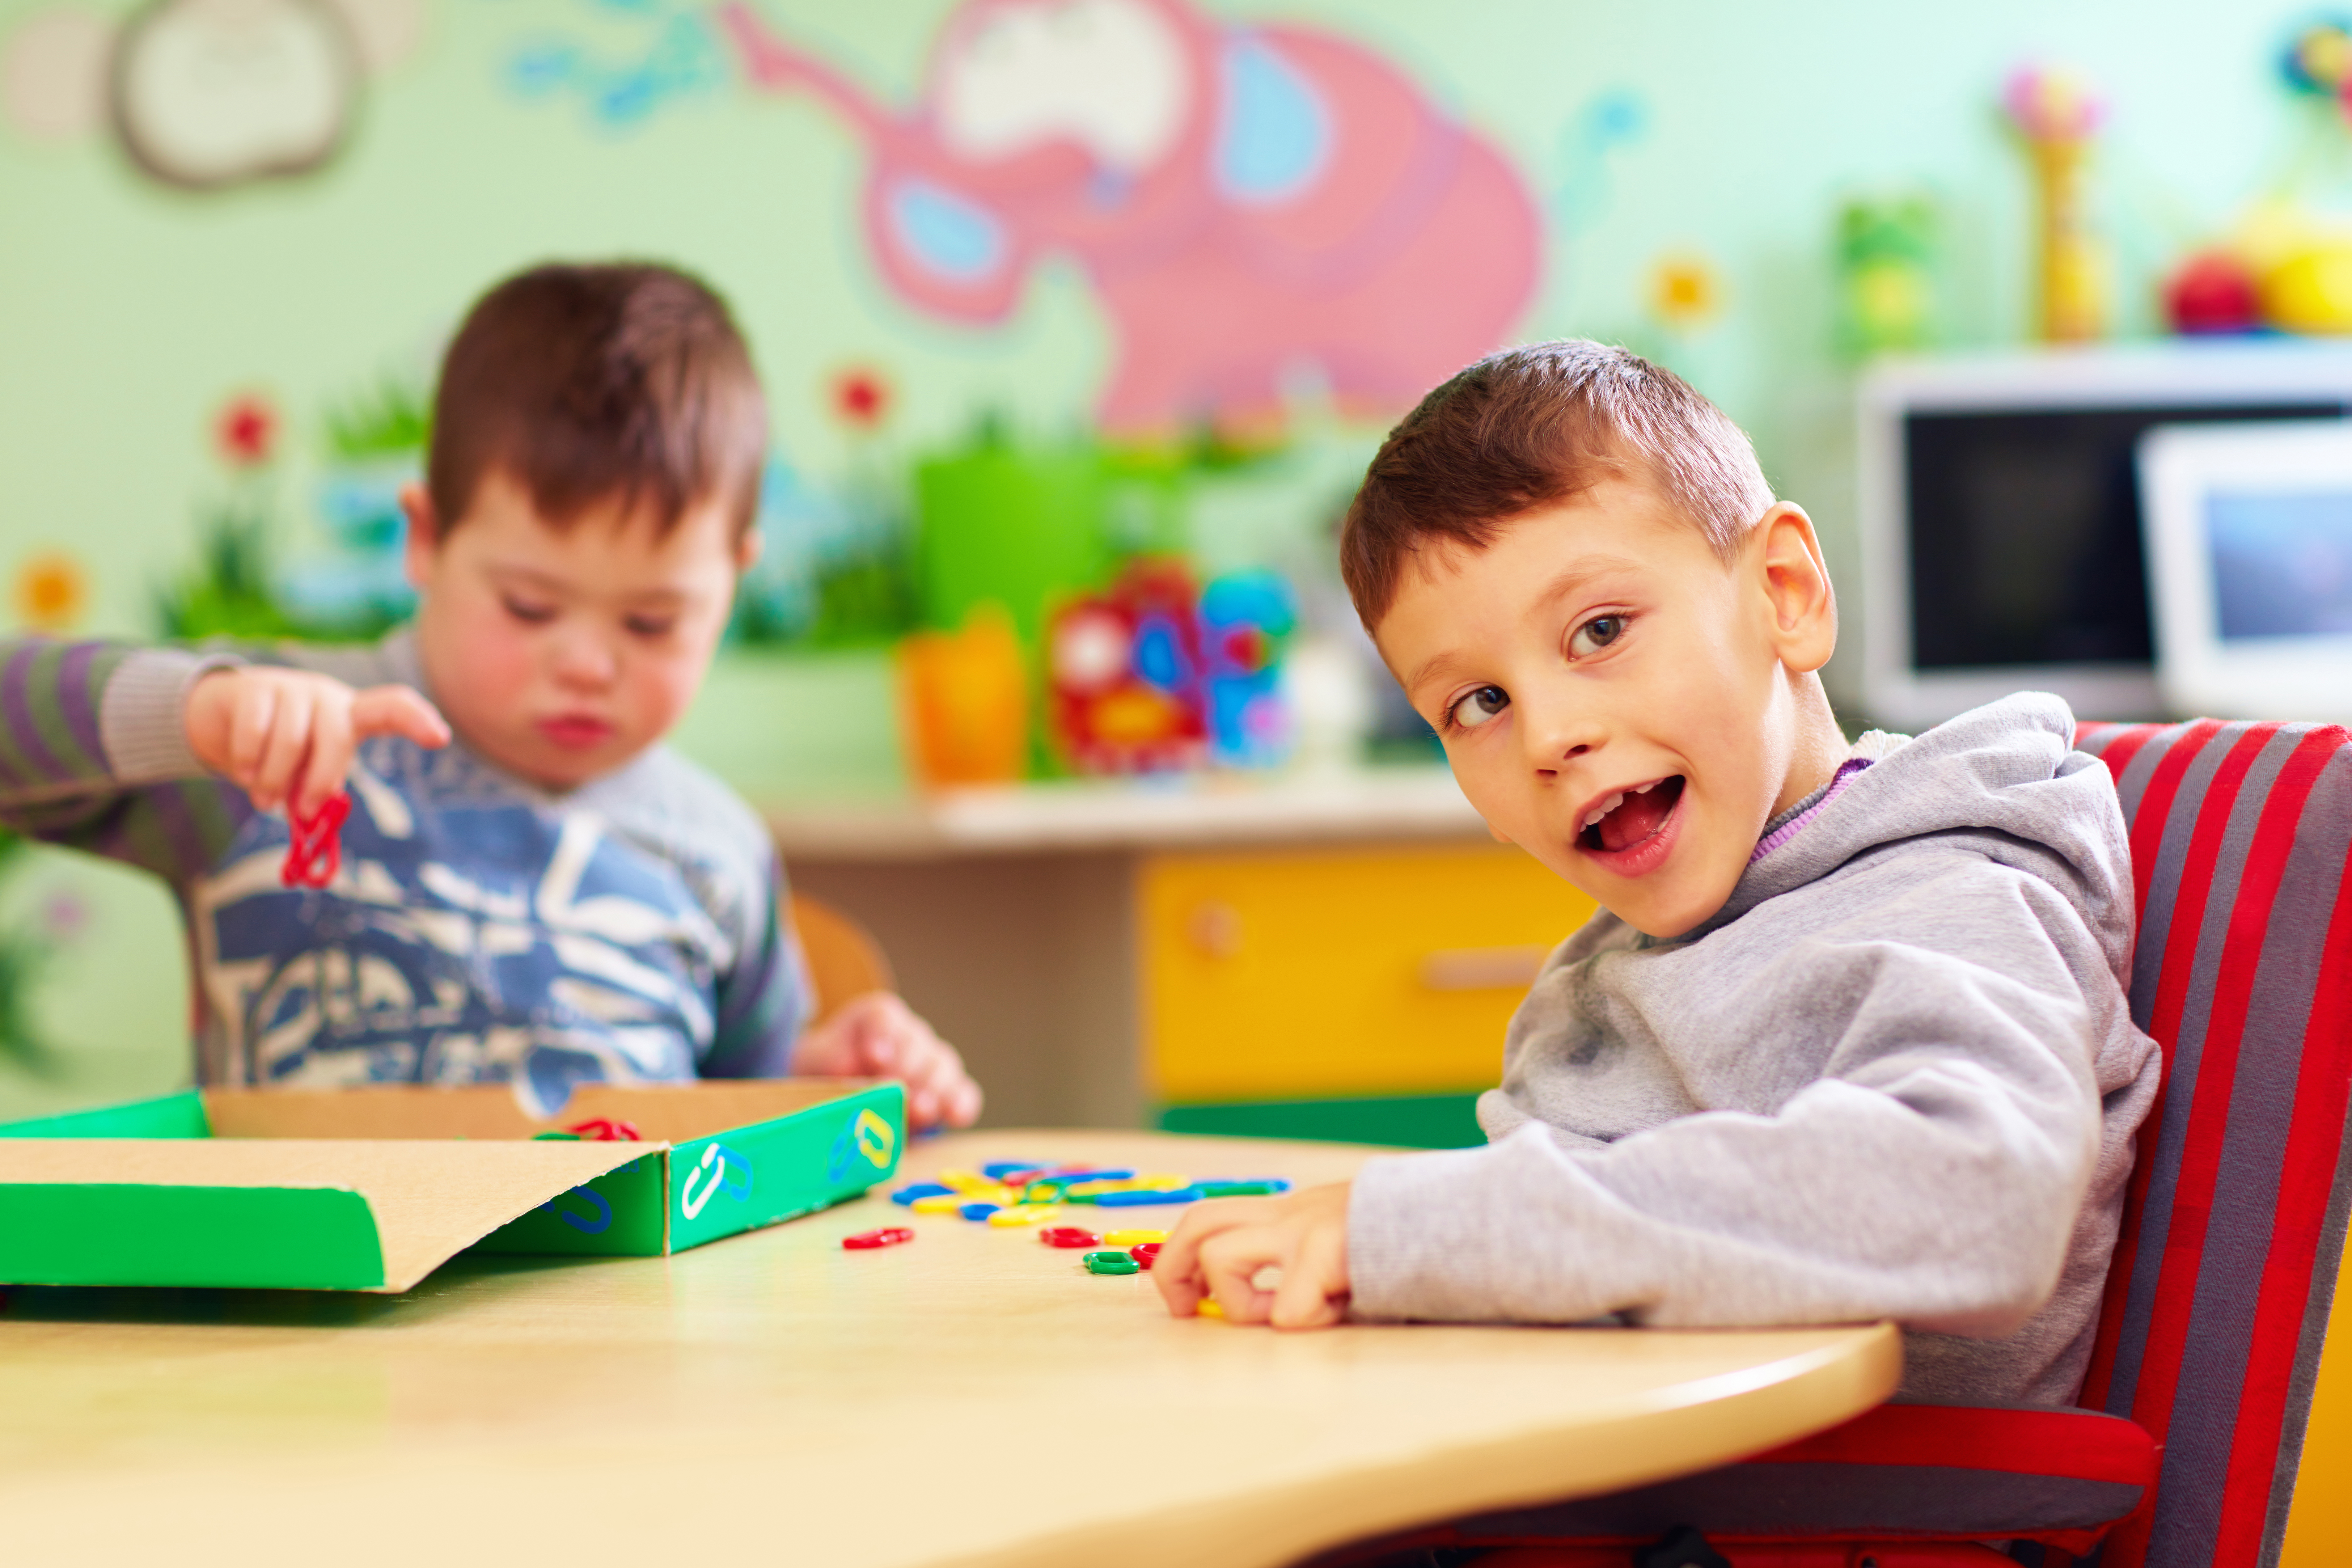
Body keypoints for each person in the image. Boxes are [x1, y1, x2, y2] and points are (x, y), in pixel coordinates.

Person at [1154, 341, 2158, 1405]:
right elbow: (1552, 1260)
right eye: (1477, 705)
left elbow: (1975, 1198)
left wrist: (1414, 1228)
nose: (1547, 735)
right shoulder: (1603, 978)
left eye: (1598, 631)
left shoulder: (1944, 896)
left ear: (1782, 593)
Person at [0, 262, 981, 1129]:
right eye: (528, 606)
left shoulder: (716, 849)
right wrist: (196, 714)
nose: (588, 664)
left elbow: (740, 1115)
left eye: (651, 623)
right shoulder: (262, 744)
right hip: (298, 1325)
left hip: (615, 1330)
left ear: (733, 579)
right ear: (425, 539)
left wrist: (824, 1081)